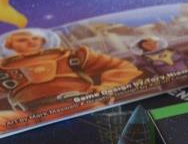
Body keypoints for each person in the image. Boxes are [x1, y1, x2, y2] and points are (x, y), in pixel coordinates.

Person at [0, 28, 142, 115]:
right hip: (31, 115)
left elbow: (123, 67)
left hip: (83, 104)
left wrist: (106, 89)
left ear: (43, 41)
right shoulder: (4, 69)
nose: (31, 42)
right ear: (9, 45)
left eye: (35, 38)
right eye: (22, 40)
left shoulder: (72, 55)